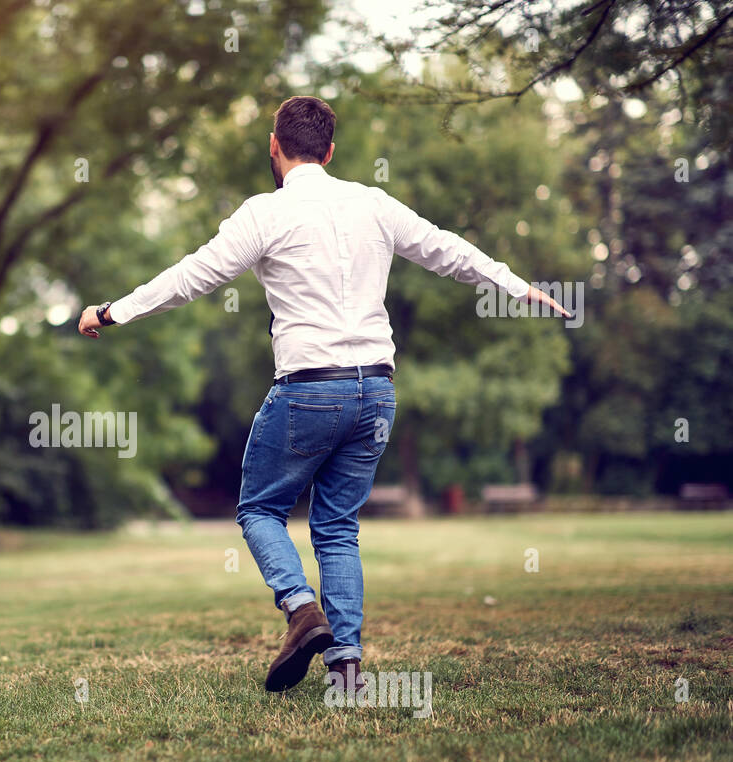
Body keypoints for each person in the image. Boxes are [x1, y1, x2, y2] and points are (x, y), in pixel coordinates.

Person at [77, 95, 569, 694]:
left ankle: (301, 608)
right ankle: (347, 670)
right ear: (331, 152)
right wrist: (517, 286)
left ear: (274, 147)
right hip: (378, 394)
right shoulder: (372, 203)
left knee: (259, 509)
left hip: (309, 389)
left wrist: (111, 311)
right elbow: (448, 249)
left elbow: (191, 276)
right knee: (337, 527)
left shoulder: (264, 213)